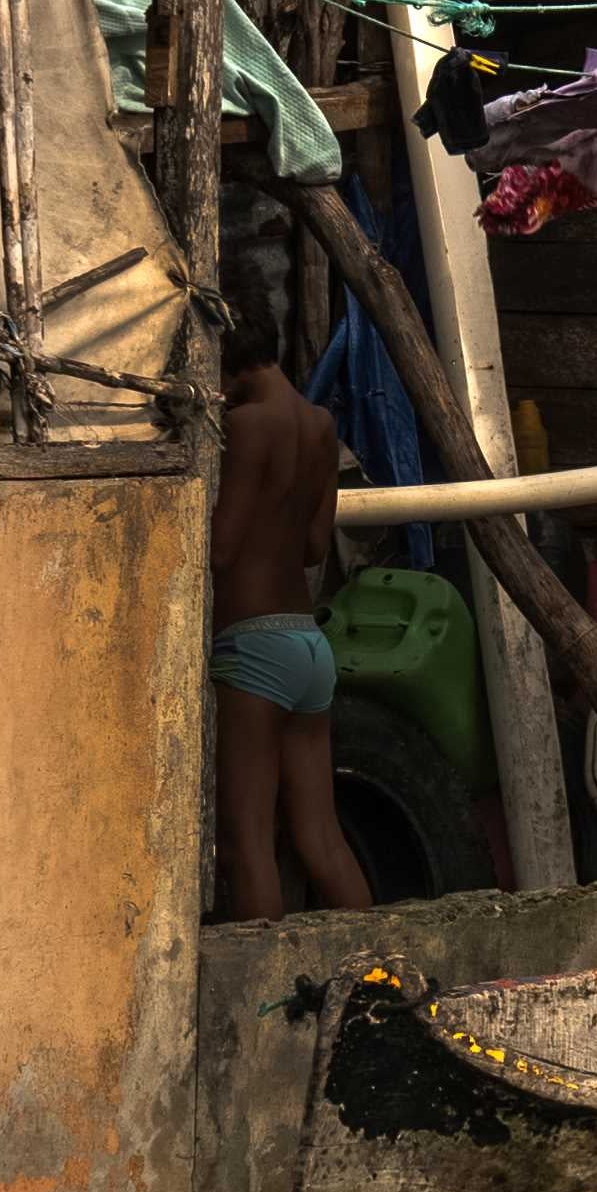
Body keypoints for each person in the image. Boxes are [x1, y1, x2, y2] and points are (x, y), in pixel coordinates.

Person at [209, 301, 372, 920]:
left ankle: (260, 1007)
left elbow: (221, 550)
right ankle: (378, 972)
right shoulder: (320, 424)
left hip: (253, 647)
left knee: (246, 843)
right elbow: (311, 544)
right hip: (308, 643)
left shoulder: (249, 426)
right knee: (321, 837)